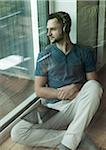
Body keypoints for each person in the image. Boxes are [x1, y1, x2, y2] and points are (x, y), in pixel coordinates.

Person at [11, 11, 103, 150]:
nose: (48, 33)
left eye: (52, 29)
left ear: (65, 29)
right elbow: (39, 90)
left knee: (95, 86)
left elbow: (93, 84)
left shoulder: (84, 52)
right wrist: (60, 93)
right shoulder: (44, 55)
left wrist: (76, 87)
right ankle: (75, 137)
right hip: (51, 108)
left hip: (77, 106)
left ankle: (67, 145)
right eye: (48, 30)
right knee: (17, 132)